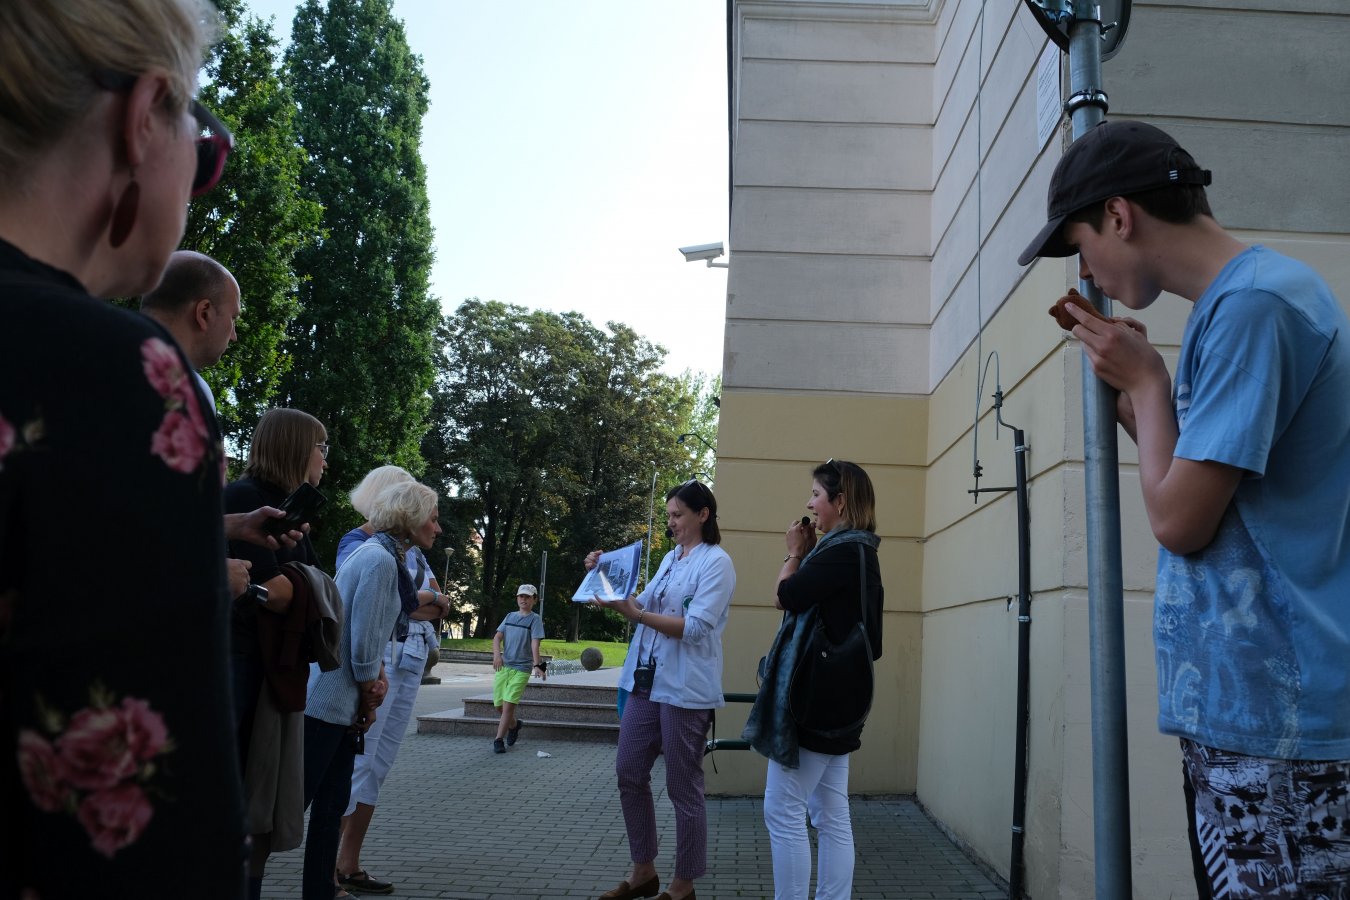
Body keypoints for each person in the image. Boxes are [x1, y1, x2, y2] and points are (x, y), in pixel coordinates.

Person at [1019, 119, 1350, 897]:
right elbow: (1210, 489)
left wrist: (1147, 384)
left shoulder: (1254, 307)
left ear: (1119, 216)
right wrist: (1142, 401)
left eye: (1079, 246)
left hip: (1278, 726)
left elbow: (1179, 522)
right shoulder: (1237, 302)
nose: (1087, 272)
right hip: (1252, 715)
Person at [0, 1, 252, 895]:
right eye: (205, 143)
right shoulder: (119, 378)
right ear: (143, 117)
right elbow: (159, 838)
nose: (201, 177)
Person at [587, 480, 736, 900]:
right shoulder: (672, 558)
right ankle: (644, 872)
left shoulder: (717, 562)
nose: (670, 522)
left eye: (677, 515)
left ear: (702, 515)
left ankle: (683, 884)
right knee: (629, 771)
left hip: (685, 689)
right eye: (668, 515)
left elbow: (696, 627)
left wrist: (634, 613)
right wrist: (603, 575)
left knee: (682, 786)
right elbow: (640, 605)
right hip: (645, 683)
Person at [744, 460, 884, 900]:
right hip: (842, 703)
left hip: (814, 703)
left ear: (840, 502)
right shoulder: (864, 553)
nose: (809, 504)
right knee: (830, 813)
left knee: (783, 810)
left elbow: (785, 596)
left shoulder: (840, 552)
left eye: (816, 495)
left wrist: (794, 553)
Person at [304, 480, 441, 900]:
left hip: (336, 698)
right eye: (433, 519)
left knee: (330, 806)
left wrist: (371, 680)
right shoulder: (381, 560)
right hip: (331, 701)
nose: (438, 528)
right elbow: (363, 642)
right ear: (411, 518)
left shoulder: (380, 555)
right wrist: (371, 690)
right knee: (302, 801)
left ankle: (320, 890)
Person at [225, 406, 330, 899]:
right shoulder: (245, 499)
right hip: (242, 663)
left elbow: (311, 582)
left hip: (273, 668)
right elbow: (279, 589)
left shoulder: (284, 509)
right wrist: (298, 586)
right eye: (321, 447)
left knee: (261, 795)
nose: (325, 459)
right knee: (242, 788)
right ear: (295, 448)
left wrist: (299, 584)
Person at [139, 249, 241, 413]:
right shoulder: (193, 395)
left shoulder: (99, 350)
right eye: (233, 318)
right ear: (204, 313)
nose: (233, 336)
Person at [490, 584, 547, 754]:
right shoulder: (509, 616)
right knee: (498, 705)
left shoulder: (535, 619)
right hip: (504, 666)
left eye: (528, 597)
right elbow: (497, 638)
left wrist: (537, 665)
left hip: (522, 668)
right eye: (521, 596)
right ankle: (514, 725)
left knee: (508, 706)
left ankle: (498, 740)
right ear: (517, 598)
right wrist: (497, 656)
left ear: (534, 600)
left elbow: (535, 644)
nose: (524, 599)